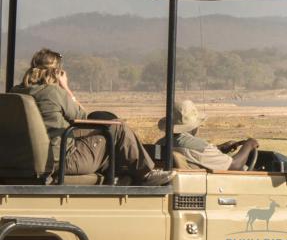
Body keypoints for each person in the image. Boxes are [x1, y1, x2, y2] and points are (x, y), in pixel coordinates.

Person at [12, 48, 174, 186]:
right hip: (60, 160)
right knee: (117, 128)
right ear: (56, 72)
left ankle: (121, 176)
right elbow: (85, 119)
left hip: (24, 160)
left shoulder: (16, 92)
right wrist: (65, 87)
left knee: (106, 134)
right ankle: (145, 174)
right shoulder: (53, 92)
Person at [157, 99, 258, 171]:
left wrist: (218, 148)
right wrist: (249, 144)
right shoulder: (198, 146)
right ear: (194, 126)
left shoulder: (161, 143)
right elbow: (235, 165)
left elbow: (195, 156)